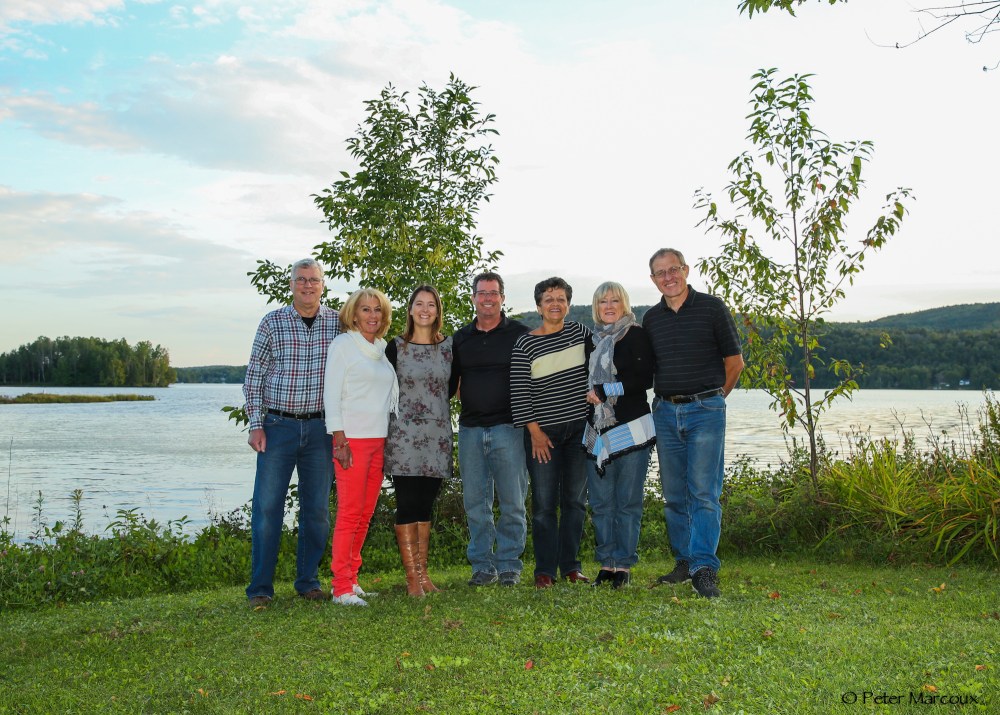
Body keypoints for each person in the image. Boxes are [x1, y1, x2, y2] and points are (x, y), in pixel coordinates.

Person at [643, 248, 744, 599]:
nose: (668, 277)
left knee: (703, 492)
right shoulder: (651, 319)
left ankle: (704, 567)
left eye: (673, 269)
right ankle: (684, 561)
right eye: (660, 273)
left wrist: (714, 400)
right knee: (673, 494)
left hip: (705, 411)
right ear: (653, 279)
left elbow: (735, 363)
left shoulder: (712, 308)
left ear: (685, 270)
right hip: (665, 411)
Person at [244, 258, 340, 608]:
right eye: (301, 279)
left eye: (313, 279)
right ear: (291, 284)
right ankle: (260, 588)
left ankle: (307, 581)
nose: (307, 285)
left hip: (321, 429)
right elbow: (254, 376)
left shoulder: (338, 323)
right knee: (267, 508)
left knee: (317, 510)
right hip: (277, 427)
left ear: (323, 285)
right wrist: (255, 424)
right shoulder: (272, 322)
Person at [510, 277, 592, 589]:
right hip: (542, 436)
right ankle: (544, 570)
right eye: (549, 299)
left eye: (561, 299)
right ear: (539, 306)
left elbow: (605, 360)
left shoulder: (581, 333)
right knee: (544, 505)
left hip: (579, 432)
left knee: (575, 502)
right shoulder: (525, 344)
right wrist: (535, 432)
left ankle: (571, 566)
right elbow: (519, 394)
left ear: (568, 305)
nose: (555, 304)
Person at [452, 272, 530, 587]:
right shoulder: (460, 338)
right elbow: (451, 382)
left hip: (509, 428)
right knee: (475, 504)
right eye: (482, 293)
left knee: (513, 501)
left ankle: (509, 564)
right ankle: (483, 566)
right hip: (470, 429)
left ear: (502, 297)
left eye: (493, 293)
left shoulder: (520, 334)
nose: (487, 298)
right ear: (473, 297)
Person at [323, 288, 398, 606]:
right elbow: (331, 394)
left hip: (379, 439)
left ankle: (351, 580)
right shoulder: (343, 345)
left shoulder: (381, 348)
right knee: (350, 514)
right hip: (351, 441)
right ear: (353, 314)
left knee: (365, 514)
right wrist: (339, 438)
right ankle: (340, 587)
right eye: (365, 309)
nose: (372, 315)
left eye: (377, 309)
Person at [384, 285, 458, 597]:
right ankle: (412, 579)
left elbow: (451, 388)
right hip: (403, 437)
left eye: (431, 304)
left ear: (438, 311)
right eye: (419, 304)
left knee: (426, 505)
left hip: (437, 437)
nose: (425, 309)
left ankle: (423, 574)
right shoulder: (395, 347)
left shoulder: (449, 347)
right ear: (410, 309)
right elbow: (383, 389)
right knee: (407, 504)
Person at [583, 282, 656, 589]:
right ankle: (606, 564)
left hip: (632, 429)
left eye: (615, 300)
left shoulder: (636, 334)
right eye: (603, 302)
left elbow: (644, 379)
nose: (609, 306)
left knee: (627, 502)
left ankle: (623, 565)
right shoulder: (592, 340)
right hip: (598, 430)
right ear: (596, 307)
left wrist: (604, 390)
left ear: (624, 303)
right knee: (601, 503)